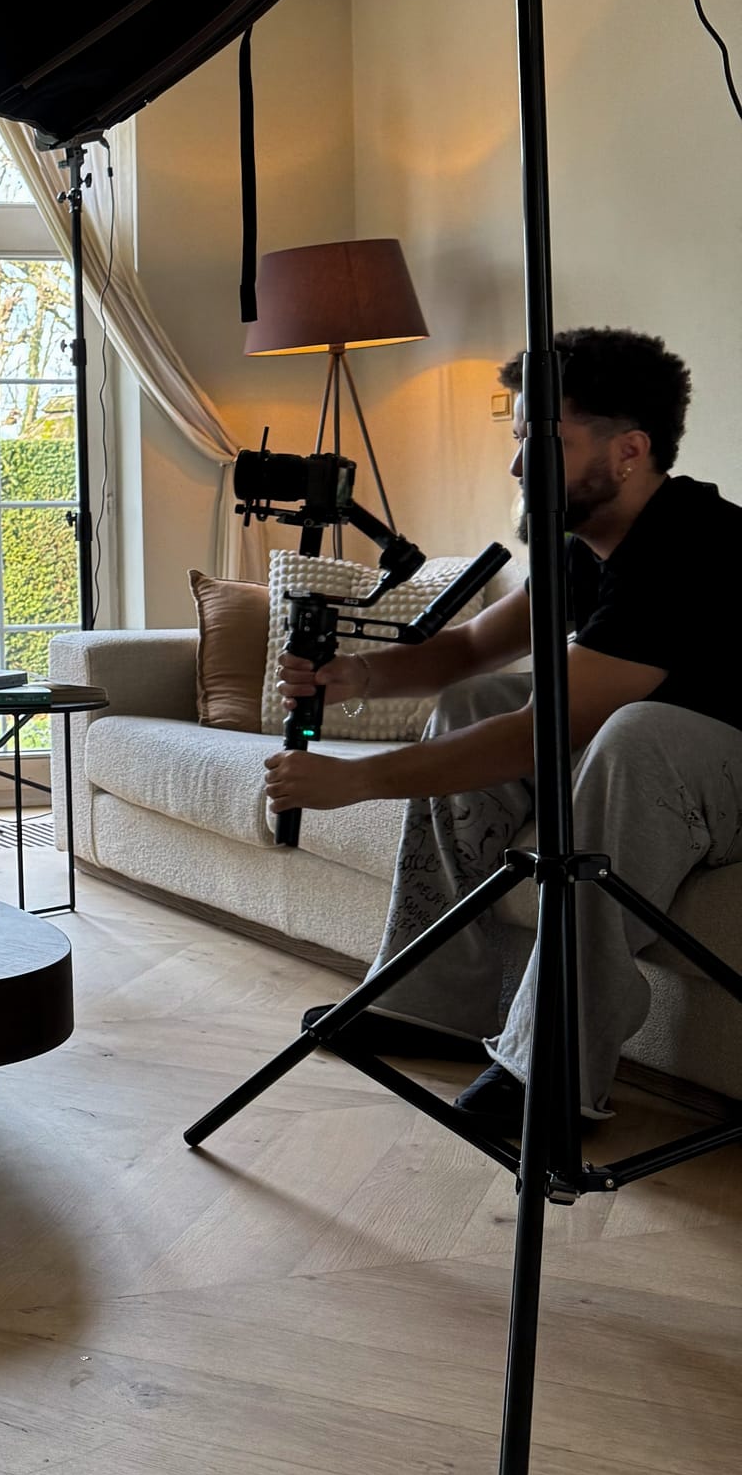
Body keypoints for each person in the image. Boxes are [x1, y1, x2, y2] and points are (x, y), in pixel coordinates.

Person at [266, 327, 742, 1134]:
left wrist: (358, 779)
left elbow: (542, 732)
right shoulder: (588, 546)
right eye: (517, 438)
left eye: (542, 440)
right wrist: (360, 676)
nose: (518, 465)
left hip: (720, 761)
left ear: (629, 450)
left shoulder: (691, 541)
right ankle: (432, 1002)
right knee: (474, 699)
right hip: (675, 755)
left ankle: (549, 1067)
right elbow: (468, 650)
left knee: (636, 735)